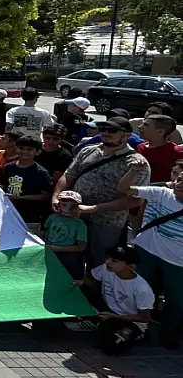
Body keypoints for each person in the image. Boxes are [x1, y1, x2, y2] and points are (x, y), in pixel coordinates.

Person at [52, 117, 149, 269]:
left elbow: (135, 200)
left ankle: (97, 290)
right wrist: (56, 196)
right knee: (69, 258)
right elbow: (68, 176)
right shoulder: (88, 150)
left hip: (106, 222)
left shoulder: (136, 163)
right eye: (103, 129)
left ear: (126, 135)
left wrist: (95, 208)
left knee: (100, 263)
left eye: (112, 130)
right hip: (73, 215)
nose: (106, 133)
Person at [118, 165, 183, 348]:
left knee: (176, 300)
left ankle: (168, 333)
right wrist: (132, 172)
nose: (179, 184)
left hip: (178, 261)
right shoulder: (161, 193)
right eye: (179, 179)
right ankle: (136, 328)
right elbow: (123, 189)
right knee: (138, 291)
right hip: (146, 251)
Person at [67, 244, 154, 355]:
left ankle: (137, 335)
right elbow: (91, 280)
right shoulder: (106, 268)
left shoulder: (142, 289)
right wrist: (78, 282)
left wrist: (114, 317)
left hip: (129, 320)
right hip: (107, 308)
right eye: (107, 258)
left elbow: (144, 318)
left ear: (130, 266)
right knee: (79, 288)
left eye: (115, 260)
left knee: (111, 348)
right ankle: (97, 321)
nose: (108, 262)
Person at [1, 136, 53, 227]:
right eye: (21, 148)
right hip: (8, 213)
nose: (24, 152)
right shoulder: (8, 167)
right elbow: (4, 185)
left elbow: (45, 196)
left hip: (30, 217)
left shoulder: (41, 172)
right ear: (16, 148)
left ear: (38, 152)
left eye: (29, 149)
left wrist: (21, 198)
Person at [43, 190, 89, 281]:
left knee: (67, 278)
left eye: (72, 205)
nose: (67, 207)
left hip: (68, 256)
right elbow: (44, 232)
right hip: (50, 252)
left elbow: (81, 247)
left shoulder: (79, 224)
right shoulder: (52, 217)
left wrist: (58, 249)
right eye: (64, 203)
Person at [137, 115, 183, 184]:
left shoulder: (177, 152)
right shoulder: (140, 147)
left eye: (146, 125)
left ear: (160, 131)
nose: (139, 127)